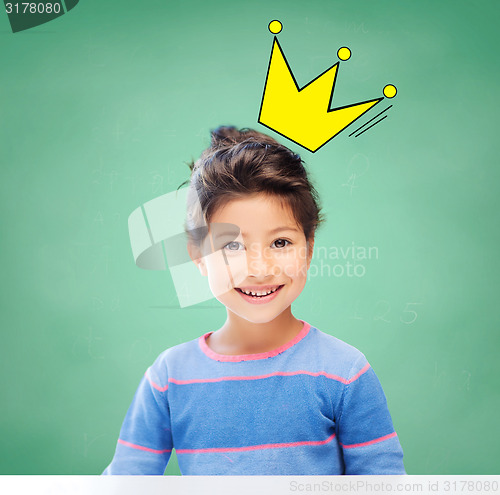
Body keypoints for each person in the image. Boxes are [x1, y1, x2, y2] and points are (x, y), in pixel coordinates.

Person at [103, 126, 405, 475]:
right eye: (231, 245)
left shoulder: (345, 373)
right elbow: (126, 479)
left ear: (308, 249)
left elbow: (383, 482)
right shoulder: (170, 377)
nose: (259, 269)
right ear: (198, 256)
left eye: (280, 243)